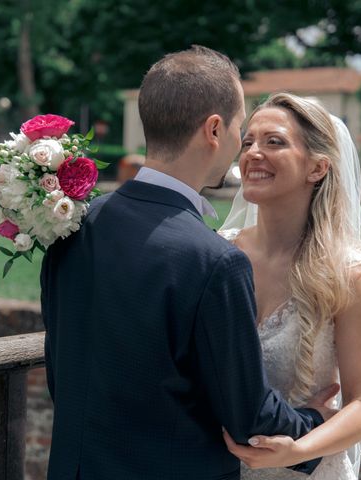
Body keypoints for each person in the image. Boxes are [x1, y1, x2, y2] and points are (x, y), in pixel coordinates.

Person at [40, 46, 336, 480]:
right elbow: (250, 418)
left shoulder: (72, 227)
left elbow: (61, 372)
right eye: (240, 129)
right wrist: (315, 423)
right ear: (214, 129)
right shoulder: (215, 260)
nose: (242, 145)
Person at [218, 93, 361, 479]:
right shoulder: (216, 253)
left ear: (317, 167)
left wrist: (297, 449)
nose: (253, 152)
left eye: (274, 142)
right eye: (247, 142)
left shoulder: (345, 276)